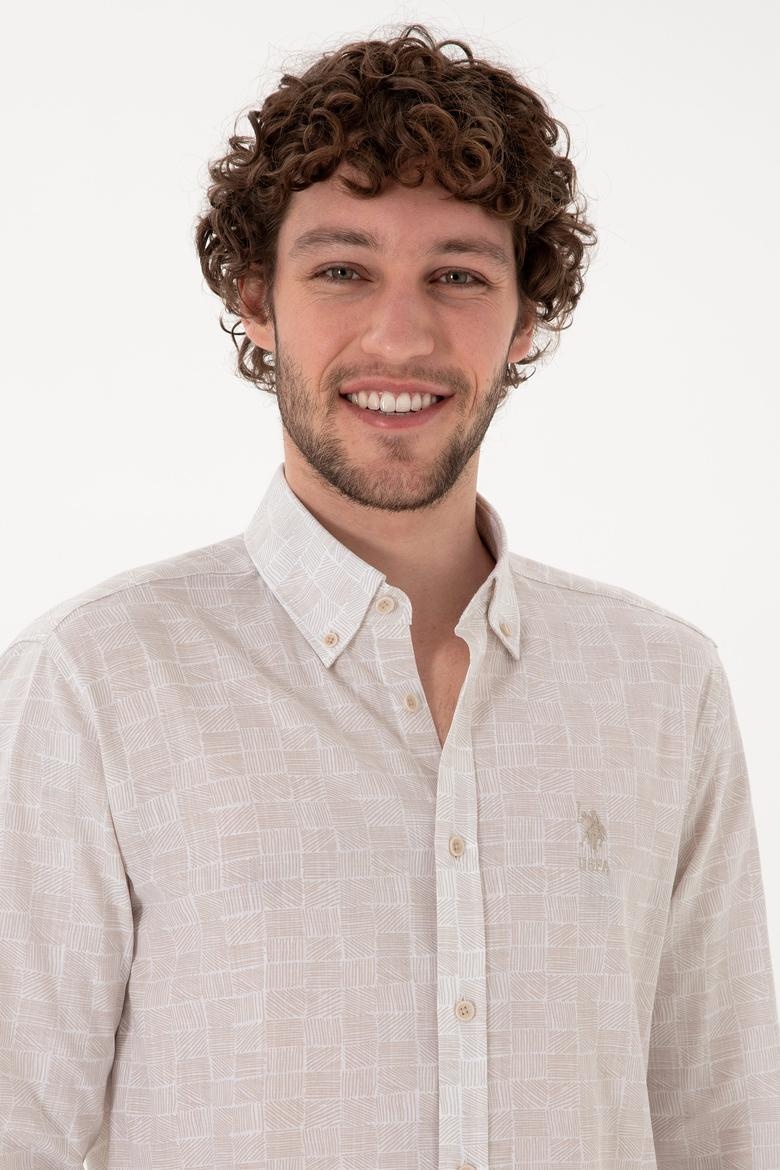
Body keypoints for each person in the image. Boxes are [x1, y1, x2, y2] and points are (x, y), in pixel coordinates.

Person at [1, 22, 778, 1170]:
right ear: (256, 301)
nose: (400, 334)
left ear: (525, 318)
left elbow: (725, 1130)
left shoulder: (663, 688)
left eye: (457, 275)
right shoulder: (93, 685)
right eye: (342, 270)